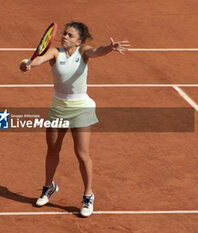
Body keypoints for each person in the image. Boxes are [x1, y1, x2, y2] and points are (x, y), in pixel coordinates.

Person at [19, 21, 130, 217]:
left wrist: (110, 48)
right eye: (64, 34)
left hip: (81, 109)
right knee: (52, 149)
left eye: (70, 35)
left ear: (79, 41)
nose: (65, 37)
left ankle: (88, 196)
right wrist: (28, 64)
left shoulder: (84, 52)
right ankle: (48, 187)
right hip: (58, 109)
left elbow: (97, 51)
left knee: (81, 154)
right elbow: (38, 60)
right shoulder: (55, 52)